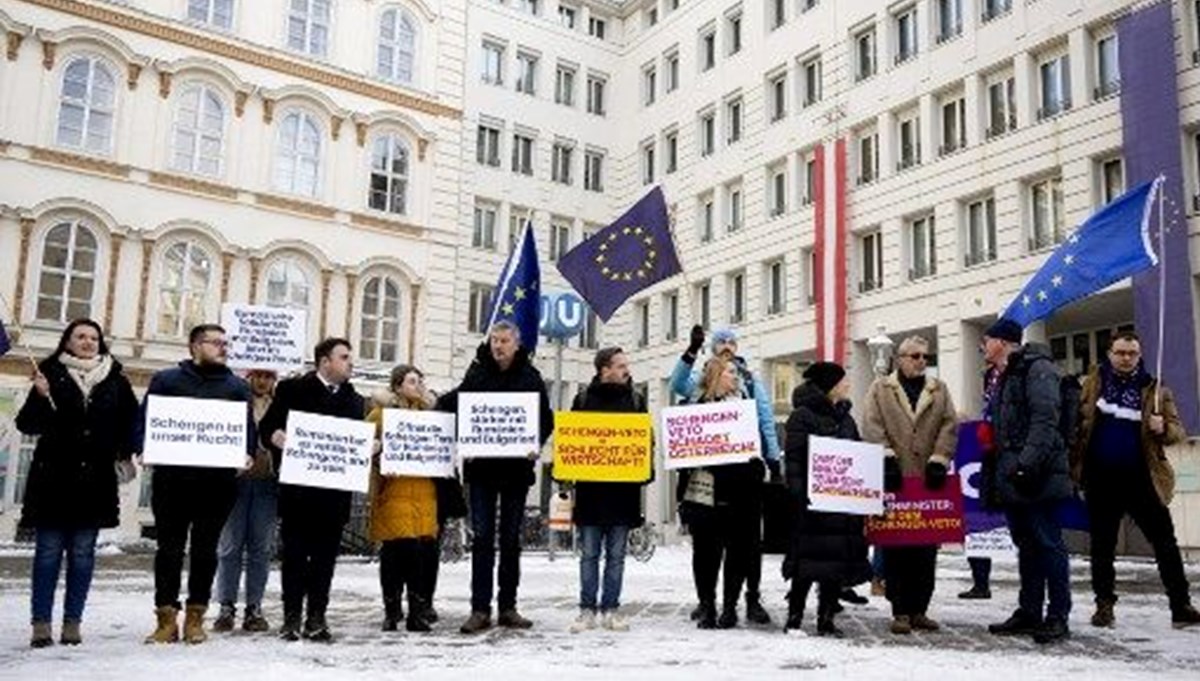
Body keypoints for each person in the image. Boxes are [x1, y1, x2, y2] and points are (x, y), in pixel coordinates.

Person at [17, 319, 138, 648]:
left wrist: (127, 452)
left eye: (93, 337)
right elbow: (27, 424)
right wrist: (40, 397)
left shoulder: (116, 381)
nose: (87, 342)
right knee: (47, 554)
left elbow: (131, 424)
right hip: (53, 480)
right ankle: (40, 623)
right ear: (67, 341)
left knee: (83, 554)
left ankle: (73, 622)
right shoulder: (49, 374)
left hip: (94, 482)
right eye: (80, 337)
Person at [1070, 331, 1199, 629]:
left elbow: (1178, 432)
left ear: (1139, 355)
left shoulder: (1155, 389)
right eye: (1120, 352)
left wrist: (1162, 426)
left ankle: (1180, 605)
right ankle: (1104, 606)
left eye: (1132, 353)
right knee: (1102, 546)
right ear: (1109, 354)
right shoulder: (1091, 385)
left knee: (1165, 542)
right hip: (1100, 478)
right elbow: (1077, 424)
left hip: (1143, 478)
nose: (1126, 358)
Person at [137, 324, 254, 644]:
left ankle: (195, 617)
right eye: (214, 342)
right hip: (172, 481)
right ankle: (165, 617)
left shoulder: (236, 386)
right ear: (193, 346)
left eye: (224, 343)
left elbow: (247, 430)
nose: (222, 347)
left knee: (205, 550)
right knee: (169, 549)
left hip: (216, 483)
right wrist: (142, 446)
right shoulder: (167, 380)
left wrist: (246, 454)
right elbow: (146, 419)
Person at [440, 321, 554, 634]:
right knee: (483, 539)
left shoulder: (531, 377)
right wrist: (462, 437)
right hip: (482, 472)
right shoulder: (477, 374)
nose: (498, 346)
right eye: (494, 340)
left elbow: (546, 419)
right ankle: (479, 608)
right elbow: (459, 407)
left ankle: (508, 606)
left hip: (516, 472)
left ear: (516, 344)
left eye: (504, 340)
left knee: (511, 539)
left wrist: (535, 444)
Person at [670, 325, 779, 625]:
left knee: (743, 547)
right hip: (705, 485)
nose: (729, 347)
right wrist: (691, 350)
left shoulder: (749, 387)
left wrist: (770, 457)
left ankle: (740, 601)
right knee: (706, 549)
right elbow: (676, 384)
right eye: (723, 343)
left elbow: (765, 421)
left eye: (733, 342)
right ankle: (708, 603)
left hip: (741, 484)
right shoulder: (697, 392)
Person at [260, 338, 366, 642]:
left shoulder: (354, 400)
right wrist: (276, 437)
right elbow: (268, 427)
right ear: (324, 362)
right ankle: (291, 617)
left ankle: (317, 617)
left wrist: (368, 448)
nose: (350, 362)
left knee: (324, 560)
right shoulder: (293, 390)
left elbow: (353, 442)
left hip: (334, 497)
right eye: (344, 357)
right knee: (293, 557)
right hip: (298, 494)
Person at [979, 318, 1072, 645]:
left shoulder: (1037, 369)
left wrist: (1026, 464)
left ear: (1002, 342)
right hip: (1011, 474)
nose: (982, 345)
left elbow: (1045, 419)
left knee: (1048, 543)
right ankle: (1029, 611)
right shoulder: (1001, 376)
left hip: (1036, 474)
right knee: (1027, 545)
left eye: (986, 339)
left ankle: (1058, 615)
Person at [863, 335, 959, 635]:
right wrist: (886, 459)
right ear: (900, 359)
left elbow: (949, 424)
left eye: (925, 357)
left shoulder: (939, 389)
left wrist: (939, 459)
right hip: (895, 479)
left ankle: (920, 608)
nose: (921, 362)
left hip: (927, 482)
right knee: (896, 548)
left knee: (926, 549)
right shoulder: (881, 388)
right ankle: (900, 609)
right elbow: (872, 424)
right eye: (915, 356)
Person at [366, 364, 460, 633]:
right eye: (411, 381)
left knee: (420, 555)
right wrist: (379, 455)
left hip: (425, 493)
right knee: (395, 553)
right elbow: (362, 449)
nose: (418, 386)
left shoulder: (433, 419)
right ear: (397, 386)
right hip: (393, 492)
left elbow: (446, 451)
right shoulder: (380, 416)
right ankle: (392, 610)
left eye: (420, 381)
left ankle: (417, 612)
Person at [783, 361, 872, 637]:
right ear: (830, 386)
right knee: (806, 565)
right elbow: (795, 462)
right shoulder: (802, 417)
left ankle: (826, 619)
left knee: (835, 565)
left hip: (842, 504)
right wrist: (801, 494)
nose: (847, 385)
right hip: (813, 506)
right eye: (842, 381)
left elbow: (856, 457)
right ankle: (794, 618)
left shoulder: (846, 418)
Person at [564, 347, 649, 633]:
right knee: (589, 554)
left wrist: (643, 468)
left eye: (626, 365)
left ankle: (611, 609)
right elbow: (572, 441)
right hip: (591, 493)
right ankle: (586, 609)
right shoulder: (584, 399)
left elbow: (645, 441)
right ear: (604, 370)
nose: (626, 369)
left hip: (623, 493)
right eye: (621, 365)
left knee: (616, 556)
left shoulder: (637, 400)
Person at [213, 369, 278, 633]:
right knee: (230, 547)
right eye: (258, 376)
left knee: (261, 549)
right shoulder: (234, 400)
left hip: (267, 482)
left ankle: (254, 607)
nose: (262, 381)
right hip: (235, 482)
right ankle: (226, 605)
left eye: (268, 376)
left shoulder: (280, 406)